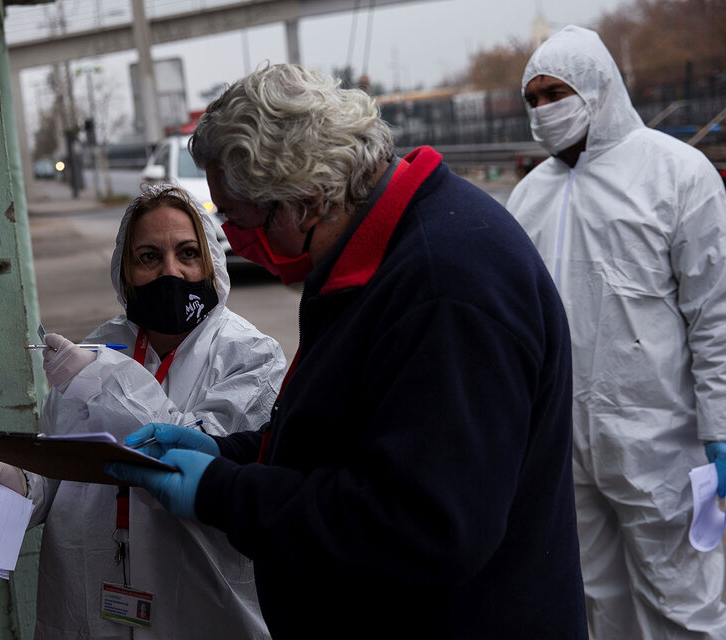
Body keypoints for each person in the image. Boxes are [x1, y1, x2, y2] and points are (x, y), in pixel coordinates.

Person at [106, 63, 587, 638]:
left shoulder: (445, 289)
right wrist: (233, 454)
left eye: (238, 217)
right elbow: (358, 431)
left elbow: (423, 526)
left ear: (305, 203)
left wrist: (222, 492)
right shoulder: (378, 257)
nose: (232, 240)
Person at [0, 183, 286, 640]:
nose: (172, 273)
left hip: (200, 605)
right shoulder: (100, 346)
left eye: (187, 253)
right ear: (124, 272)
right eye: (148, 257)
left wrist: (100, 382)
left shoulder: (252, 356)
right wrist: (26, 484)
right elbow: (66, 462)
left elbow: (188, 448)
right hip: (90, 599)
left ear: (211, 263)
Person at [506, 26, 726, 639]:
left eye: (558, 93)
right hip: (561, 446)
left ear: (600, 88)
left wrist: (721, 426)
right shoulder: (528, 197)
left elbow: (716, 315)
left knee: (685, 606)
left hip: (662, 443)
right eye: (535, 98)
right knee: (594, 604)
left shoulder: (677, 174)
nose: (546, 110)